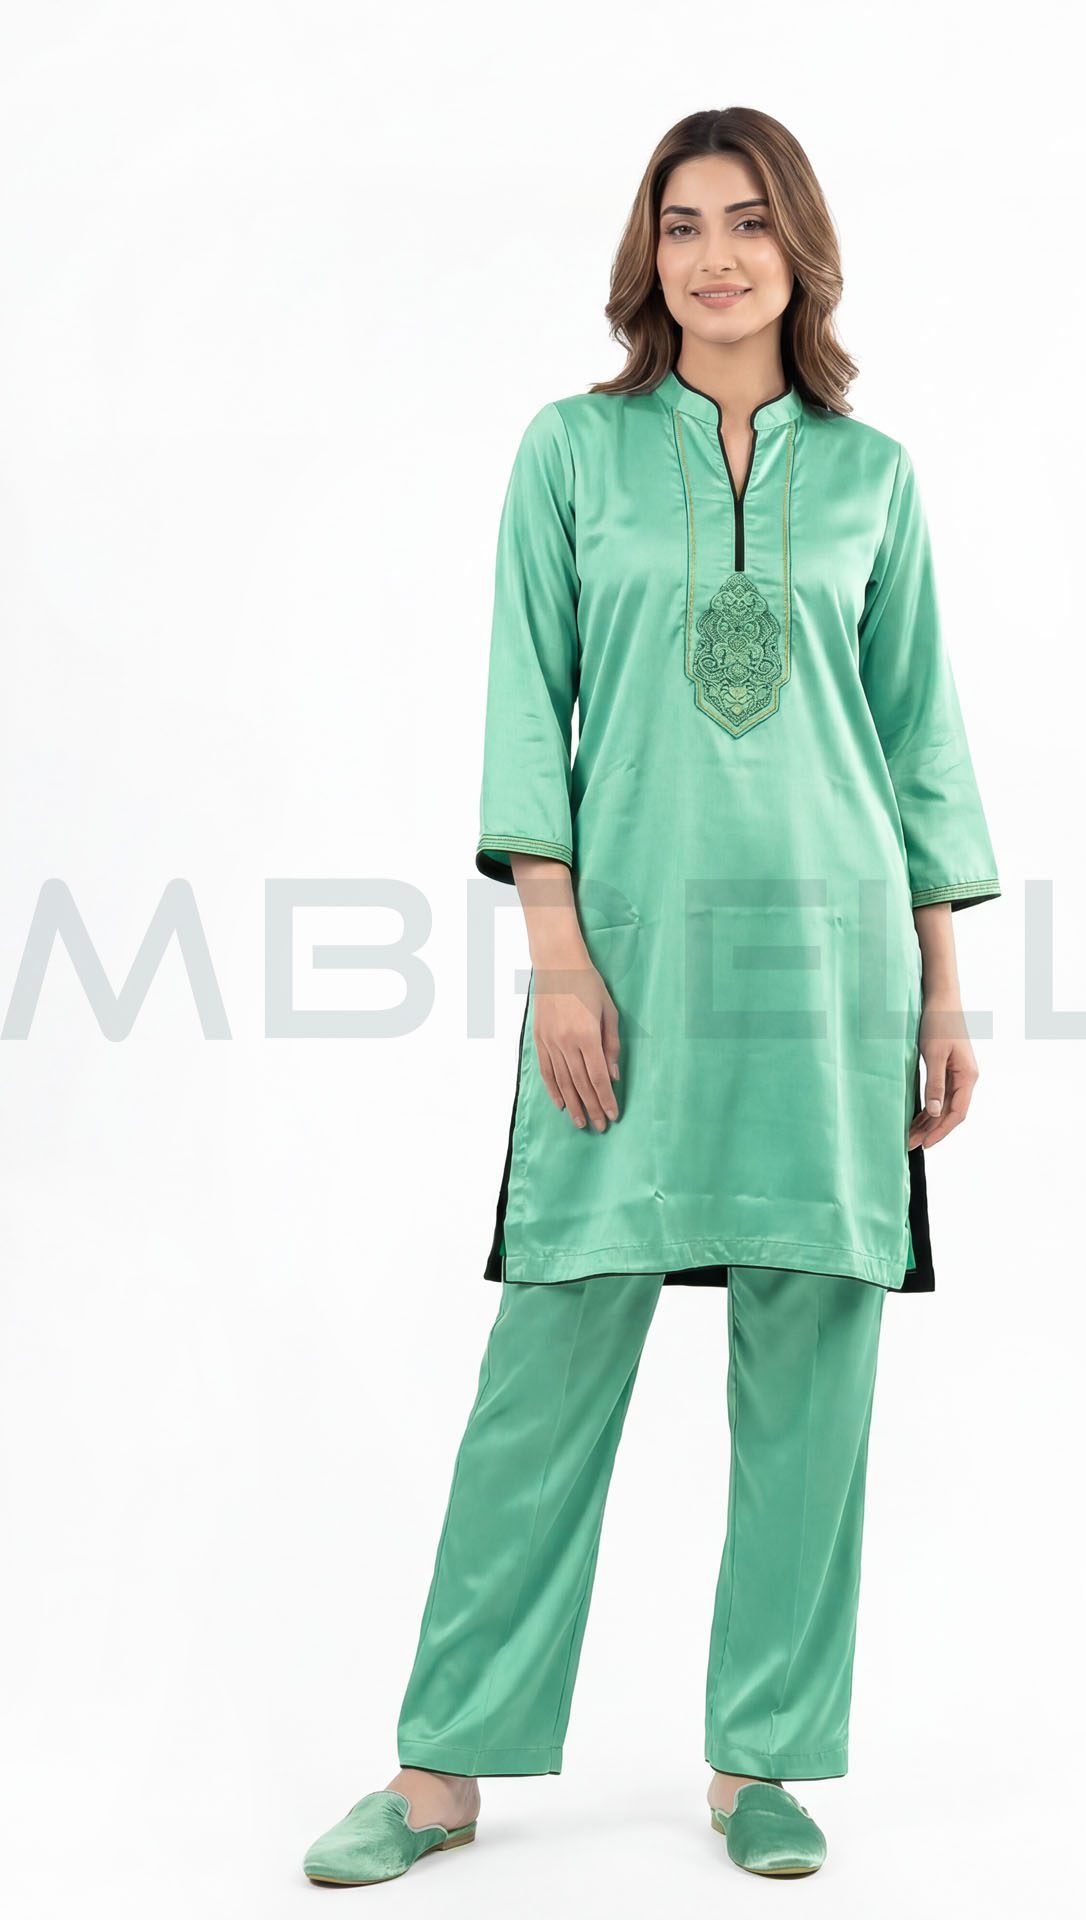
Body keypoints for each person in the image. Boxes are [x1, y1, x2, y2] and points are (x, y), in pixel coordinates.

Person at [302, 103, 1000, 1886]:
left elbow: (919, 739)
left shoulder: (873, 477)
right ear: (647, 256)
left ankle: (762, 1762)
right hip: (621, 962)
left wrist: (942, 991)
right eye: (681, 224)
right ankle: (442, 1767)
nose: (715, 255)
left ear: (799, 246)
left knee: (813, 1360)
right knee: (549, 1360)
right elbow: (523, 698)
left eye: (747, 220)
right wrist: (556, 948)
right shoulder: (576, 454)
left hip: (829, 973)